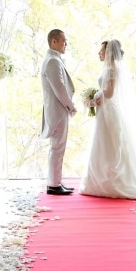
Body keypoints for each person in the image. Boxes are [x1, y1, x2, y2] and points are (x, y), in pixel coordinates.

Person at [79, 39, 136, 199]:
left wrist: (94, 99)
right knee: (106, 143)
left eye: (101, 50)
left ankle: (110, 182)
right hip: (106, 111)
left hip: (108, 111)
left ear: (108, 52)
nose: (99, 53)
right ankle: (105, 179)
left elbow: (109, 94)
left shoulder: (111, 69)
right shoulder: (111, 68)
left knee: (109, 143)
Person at [41, 29, 77, 195]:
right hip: (58, 110)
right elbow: (59, 88)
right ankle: (54, 185)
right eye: (63, 41)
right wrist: (71, 106)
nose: (66, 44)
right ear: (54, 42)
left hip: (57, 110)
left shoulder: (53, 59)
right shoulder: (52, 61)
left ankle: (55, 182)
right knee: (57, 147)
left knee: (57, 147)